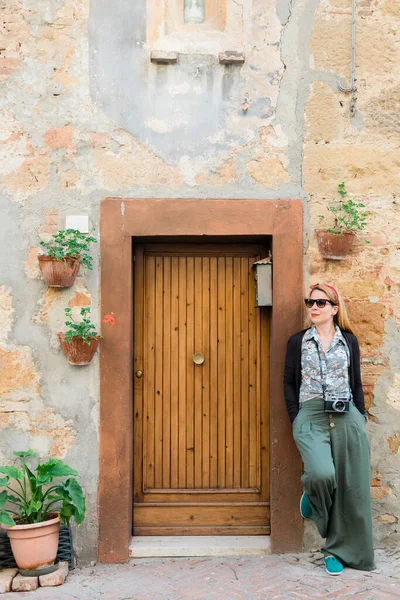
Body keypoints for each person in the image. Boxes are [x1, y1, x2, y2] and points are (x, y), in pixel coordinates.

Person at [284, 283, 376, 575]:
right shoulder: (297, 341)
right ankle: (313, 493)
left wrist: (360, 416)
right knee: (321, 473)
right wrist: (296, 418)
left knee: (352, 490)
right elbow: (288, 382)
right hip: (311, 416)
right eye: (310, 302)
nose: (313, 307)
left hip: (347, 416)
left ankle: (334, 550)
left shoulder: (349, 341)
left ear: (335, 309)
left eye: (321, 303)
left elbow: (356, 382)